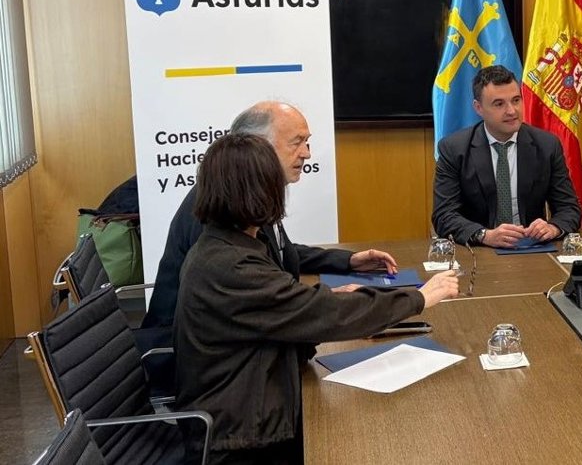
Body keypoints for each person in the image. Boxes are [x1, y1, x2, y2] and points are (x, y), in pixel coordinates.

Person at [174, 133, 459, 465]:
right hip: (241, 440)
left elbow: (283, 305)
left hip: (248, 406)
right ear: (258, 191)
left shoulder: (229, 245)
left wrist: (310, 300)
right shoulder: (231, 265)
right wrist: (418, 298)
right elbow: (325, 314)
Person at [144, 101, 397, 328]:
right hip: (188, 352)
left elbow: (277, 250)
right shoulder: (221, 206)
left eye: (307, 142)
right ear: (257, 146)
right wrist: (325, 303)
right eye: (296, 142)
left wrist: (348, 261)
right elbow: (248, 286)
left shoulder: (249, 192)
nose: (307, 153)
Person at [432, 65, 582, 247]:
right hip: (480, 251)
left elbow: (569, 209)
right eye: (499, 104)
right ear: (478, 108)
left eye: (516, 100)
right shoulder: (454, 149)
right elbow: (444, 215)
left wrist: (553, 227)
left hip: (532, 248)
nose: (511, 111)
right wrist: (485, 235)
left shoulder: (547, 145)